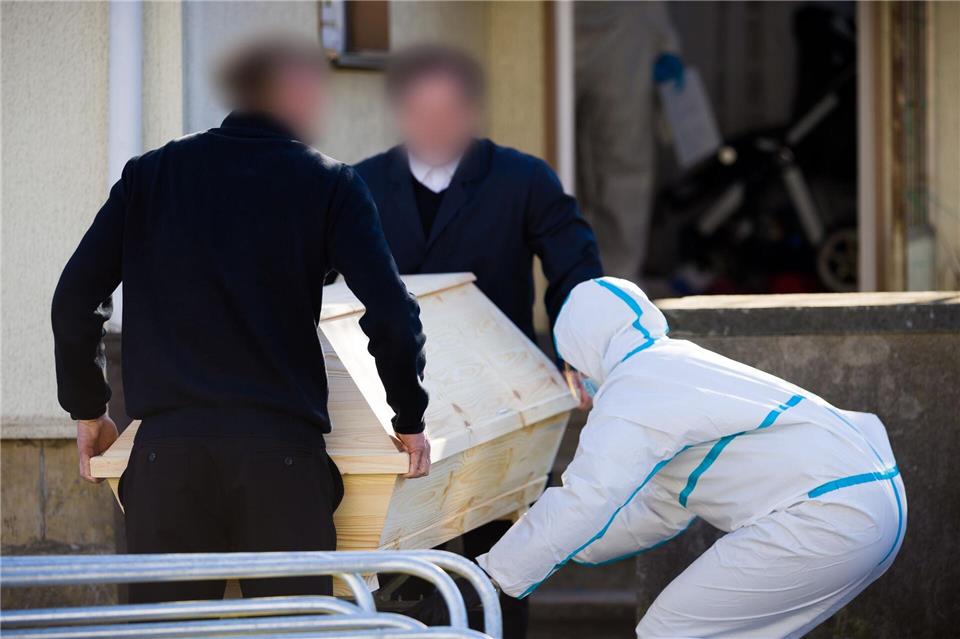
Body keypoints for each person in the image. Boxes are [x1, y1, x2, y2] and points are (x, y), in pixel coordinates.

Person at [51, 36, 430, 603]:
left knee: (169, 634)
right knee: (289, 630)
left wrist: (88, 410)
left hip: (167, 459)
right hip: (282, 461)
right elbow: (393, 314)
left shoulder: (149, 176)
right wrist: (409, 416)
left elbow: (73, 300)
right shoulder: (330, 183)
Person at [470, 276, 906, 637]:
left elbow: (588, 498)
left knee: (670, 629)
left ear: (582, 350)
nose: (578, 387)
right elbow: (655, 511)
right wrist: (549, 541)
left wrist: (489, 575)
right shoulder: (674, 365)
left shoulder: (633, 387)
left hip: (825, 514)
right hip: (868, 506)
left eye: (571, 370)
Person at [354, 45, 603, 637]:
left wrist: (577, 353)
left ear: (471, 113)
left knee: (503, 567)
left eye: (448, 112)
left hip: (502, 399)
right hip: (395, 402)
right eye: (420, 112)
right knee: (406, 569)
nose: (434, 126)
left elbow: (574, 269)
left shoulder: (524, 178)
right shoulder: (361, 183)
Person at [576, 1, 681, 279]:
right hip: (543, 17)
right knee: (541, 149)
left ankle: (619, 283)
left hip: (621, 18)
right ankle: (549, 279)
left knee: (624, 158)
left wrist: (662, 39)